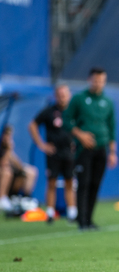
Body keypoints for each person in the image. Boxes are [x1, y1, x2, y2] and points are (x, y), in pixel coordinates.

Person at [63, 67, 117, 230]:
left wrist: (113, 152)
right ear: (89, 80)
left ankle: (90, 219)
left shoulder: (108, 102)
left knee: (95, 184)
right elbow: (67, 120)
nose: (98, 83)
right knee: (84, 183)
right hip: (84, 149)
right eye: (95, 80)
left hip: (101, 148)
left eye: (101, 80)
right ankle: (81, 220)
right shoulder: (79, 99)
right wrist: (80, 135)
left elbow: (111, 127)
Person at [29, 84, 78, 223]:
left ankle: (72, 212)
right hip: (54, 153)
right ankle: (50, 212)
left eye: (65, 95)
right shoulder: (49, 111)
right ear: (56, 96)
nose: (62, 98)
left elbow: (80, 128)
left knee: (70, 182)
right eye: (60, 95)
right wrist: (41, 144)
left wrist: (77, 143)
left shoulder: (73, 111)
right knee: (52, 182)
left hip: (69, 153)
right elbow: (32, 125)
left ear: (69, 96)